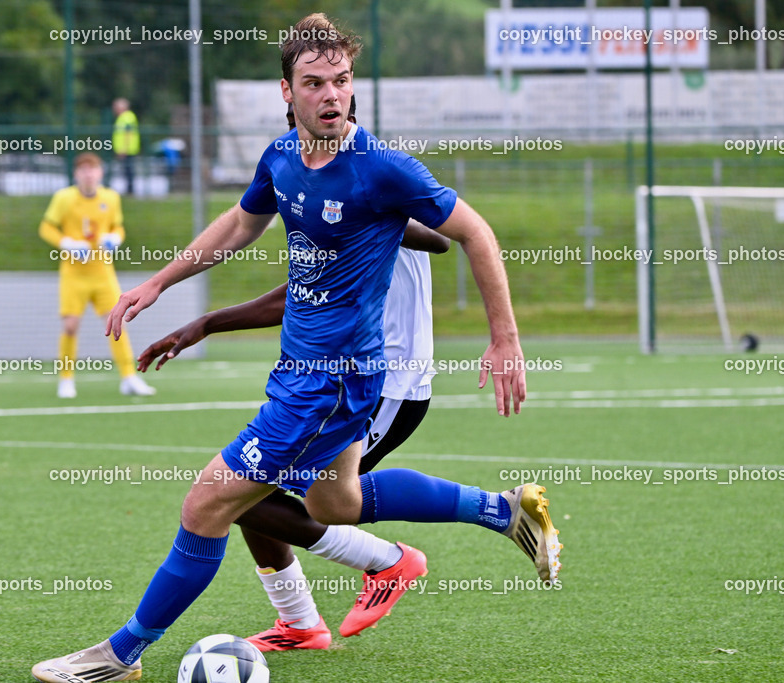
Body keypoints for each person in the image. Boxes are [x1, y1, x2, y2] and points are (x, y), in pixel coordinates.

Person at [32, 14, 560, 683]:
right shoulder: (282, 157)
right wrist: (161, 283)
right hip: (304, 373)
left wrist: (505, 339)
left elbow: (475, 232)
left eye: (340, 80)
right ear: (287, 90)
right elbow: (241, 223)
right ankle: (505, 509)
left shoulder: (382, 170)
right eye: (315, 83)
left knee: (207, 503)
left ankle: (118, 654)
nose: (332, 95)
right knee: (335, 505)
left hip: (330, 383)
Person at [133, 100, 452, 652]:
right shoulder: (310, 192)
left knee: (269, 497)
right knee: (250, 493)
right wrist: (204, 323)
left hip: (385, 381)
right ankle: (301, 624)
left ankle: (397, 560)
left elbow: (441, 236)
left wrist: (373, 214)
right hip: (332, 379)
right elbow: (295, 293)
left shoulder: (371, 183)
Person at [37, 152, 155, 399]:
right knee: (70, 326)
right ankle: (66, 379)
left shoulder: (110, 198)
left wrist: (115, 239)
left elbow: (117, 227)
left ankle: (128, 377)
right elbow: (46, 227)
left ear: (100, 173)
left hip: (103, 273)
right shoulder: (64, 198)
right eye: (83, 170)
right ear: (76, 174)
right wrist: (66, 242)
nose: (88, 175)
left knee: (116, 323)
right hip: (73, 274)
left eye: (93, 170)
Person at [112, 98, 140, 196]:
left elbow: (128, 133)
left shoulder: (127, 117)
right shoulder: (123, 117)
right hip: (125, 149)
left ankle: (130, 191)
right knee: (126, 170)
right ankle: (129, 190)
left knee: (129, 170)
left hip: (127, 150)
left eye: (116, 107)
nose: (114, 109)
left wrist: (123, 149)